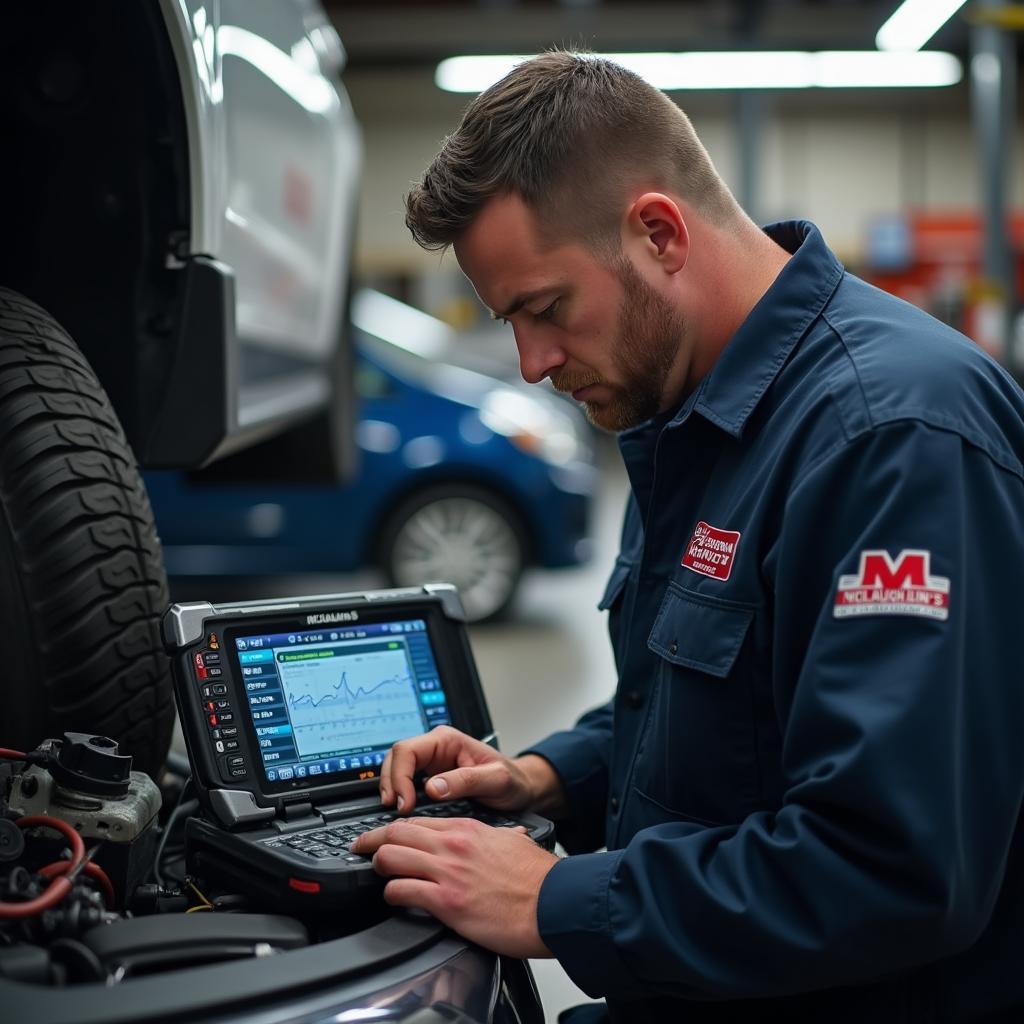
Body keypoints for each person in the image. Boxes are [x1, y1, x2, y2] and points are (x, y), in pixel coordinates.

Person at [350, 51, 1024, 1022]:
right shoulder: (685, 419)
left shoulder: (892, 440)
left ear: (659, 233)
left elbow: (893, 869)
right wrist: (545, 778)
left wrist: (551, 898)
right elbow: (726, 722)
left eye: (545, 310)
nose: (532, 364)